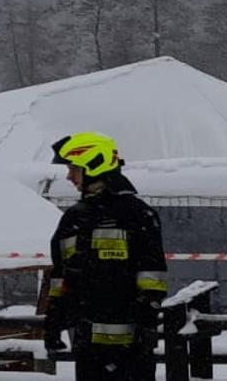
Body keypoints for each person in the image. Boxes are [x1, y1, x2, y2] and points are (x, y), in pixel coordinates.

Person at [46, 132, 168, 381]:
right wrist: (54, 319)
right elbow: (61, 275)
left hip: (130, 348)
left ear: (93, 165)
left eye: (73, 169)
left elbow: (153, 273)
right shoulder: (73, 218)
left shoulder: (136, 215)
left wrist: (146, 317)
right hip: (87, 347)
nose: (69, 177)